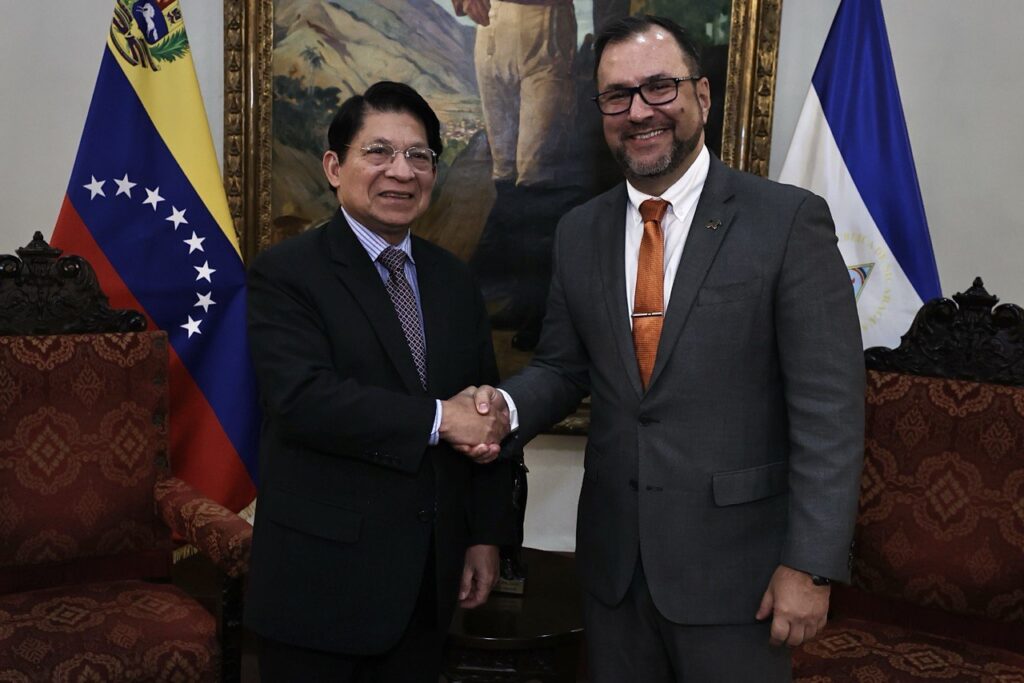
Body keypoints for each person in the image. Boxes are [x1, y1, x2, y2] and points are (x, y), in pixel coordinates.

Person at [473, 15, 865, 681]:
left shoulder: (785, 221)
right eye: (618, 95)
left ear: (701, 97)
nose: (639, 111)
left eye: (659, 87)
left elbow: (830, 408)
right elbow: (564, 368)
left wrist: (812, 563)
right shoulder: (578, 231)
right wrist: (500, 409)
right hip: (613, 571)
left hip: (740, 577)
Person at [244, 81, 515, 682]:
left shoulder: (454, 281)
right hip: (320, 588)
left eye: (419, 156)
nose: (402, 171)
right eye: (379, 152)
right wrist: (443, 419)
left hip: (429, 585)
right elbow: (303, 400)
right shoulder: (285, 273)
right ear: (335, 167)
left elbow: (486, 407)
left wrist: (484, 537)